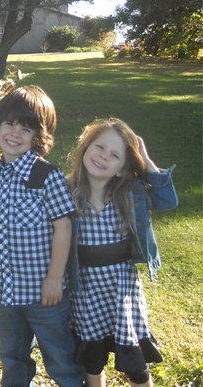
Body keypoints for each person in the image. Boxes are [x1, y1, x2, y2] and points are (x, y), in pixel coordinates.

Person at [66, 119, 178, 387]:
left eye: (114, 155)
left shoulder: (130, 194)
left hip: (121, 290)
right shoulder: (67, 193)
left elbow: (167, 200)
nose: (104, 156)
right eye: (99, 147)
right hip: (85, 291)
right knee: (92, 360)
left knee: (134, 360)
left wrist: (145, 159)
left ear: (121, 169)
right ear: (84, 149)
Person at [0, 85, 85, 387]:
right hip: (4, 292)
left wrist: (55, 278)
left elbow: (63, 227)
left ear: (39, 137)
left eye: (26, 128)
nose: (15, 133)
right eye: (9, 124)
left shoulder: (46, 176)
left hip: (45, 295)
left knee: (61, 359)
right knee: (11, 357)